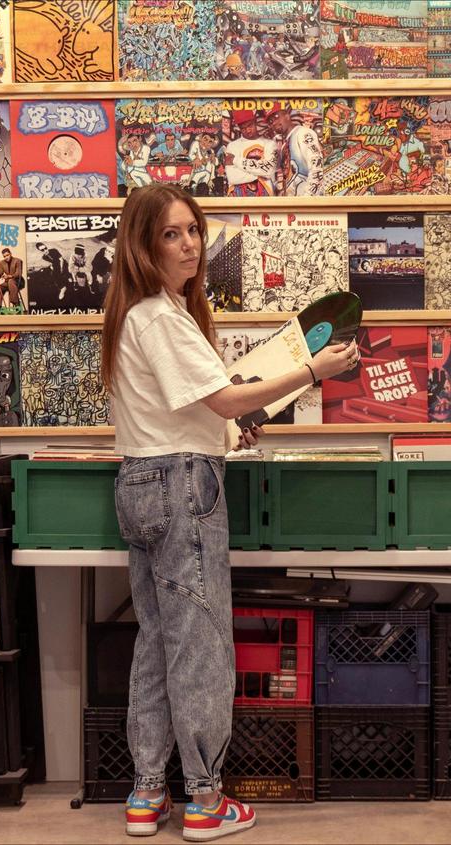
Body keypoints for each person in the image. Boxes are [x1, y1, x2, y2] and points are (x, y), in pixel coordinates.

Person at [99, 183, 358, 841]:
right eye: (171, 234)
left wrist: (226, 427)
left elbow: (185, 413)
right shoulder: (159, 314)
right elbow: (217, 399)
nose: (189, 244)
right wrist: (311, 368)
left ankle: (147, 793)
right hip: (183, 487)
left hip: (140, 481)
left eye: (194, 230)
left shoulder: (139, 314)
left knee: (157, 641)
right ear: (142, 244)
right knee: (202, 645)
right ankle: (207, 800)